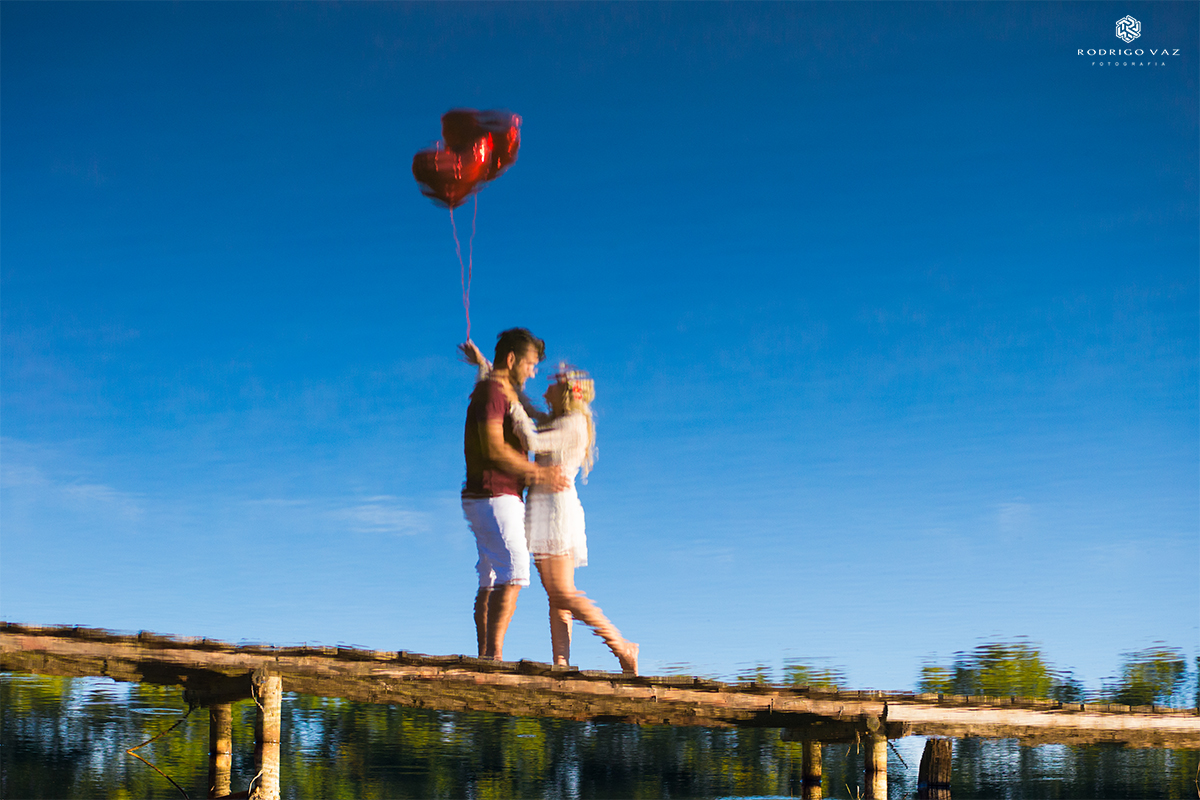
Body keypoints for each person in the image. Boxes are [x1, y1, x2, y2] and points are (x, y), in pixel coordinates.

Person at [461, 342, 638, 675]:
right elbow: (522, 400)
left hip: (557, 512)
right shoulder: (558, 420)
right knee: (556, 597)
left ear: (569, 393)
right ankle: (562, 665)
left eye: (552, 387)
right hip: (543, 511)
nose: (544, 392)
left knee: (562, 592)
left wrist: (511, 402)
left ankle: (620, 644)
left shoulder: (573, 424)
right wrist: (485, 364)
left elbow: (531, 439)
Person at [460, 328, 567, 661]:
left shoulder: (498, 388)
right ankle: (493, 658)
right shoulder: (494, 392)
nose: (533, 372)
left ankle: (485, 657)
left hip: (485, 495)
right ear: (511, 359)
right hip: (495, 495)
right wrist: (539, 473)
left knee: (491, 575)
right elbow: (493, 447)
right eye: (530, 364)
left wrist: (480, 360)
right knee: (515, 570)